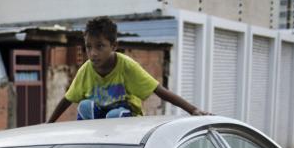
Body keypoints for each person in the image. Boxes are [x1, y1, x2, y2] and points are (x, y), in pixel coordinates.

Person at [47, 16, 208, 122]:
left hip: (126, 116)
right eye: (88, 47)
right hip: (101, 117)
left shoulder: (127, 66)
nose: (93, 53)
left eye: (100, 46)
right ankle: (89, 140)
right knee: (84, 106)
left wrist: (193, 110)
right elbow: (67, 99)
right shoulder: (86, 70)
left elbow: (159, 90)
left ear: (114, 46)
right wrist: (48, 124)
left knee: (113, 115)